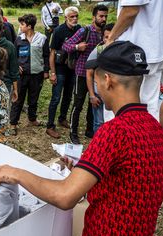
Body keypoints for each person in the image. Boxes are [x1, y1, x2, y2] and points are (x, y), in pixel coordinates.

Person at [0, 41, 163, 236]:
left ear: (107, 80)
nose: (96, 90)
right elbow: (131, 183)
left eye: (96, 83)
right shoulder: (158, 131)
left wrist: (17, 173)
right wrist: (86, 172)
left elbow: (65, 196)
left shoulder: (115, 131)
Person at [108, 0, 163, 121]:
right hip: (157, 47)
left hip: (134, 49)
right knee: (149, 106)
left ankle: (122, 139)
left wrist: (110, 38)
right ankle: (147, 138)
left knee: (122, 106)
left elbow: (130, 11)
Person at [62, 4, 108, 144]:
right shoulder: (85, 31)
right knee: (78, 104)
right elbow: (65, 46)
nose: (103, 19)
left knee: (93, 103)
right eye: (101, 16)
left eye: (105, 16)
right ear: (94, 17)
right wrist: (77, 47)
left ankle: (89, 130)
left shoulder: (107, 33)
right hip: (82, 73)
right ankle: (73, 132)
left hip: (98, 75)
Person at [10, 14, 49, 135]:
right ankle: (13, 124)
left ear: (29, 26)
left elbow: (46, 55)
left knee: (34, 99)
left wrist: (46, 71)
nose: (20, 26)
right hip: (22, 76)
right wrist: (16, 66)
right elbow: (13, 56)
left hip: (37, 74)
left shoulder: (42, 38)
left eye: (22, 24)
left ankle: (32, 119)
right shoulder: (19, 39)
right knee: (18, 99)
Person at [45, 6, 80, 139]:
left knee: (68, 96)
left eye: (76, 16)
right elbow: (52, 53)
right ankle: (50, 126)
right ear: (65, 18)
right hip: (59, 69)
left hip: (72, 68)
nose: (75, 19)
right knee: (56, 98)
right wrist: (52, 72)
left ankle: (62, 118)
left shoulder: (79, 29)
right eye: (72, 16)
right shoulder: (59, 31)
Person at [86, 23, 114, 134]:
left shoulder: (121, 52)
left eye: (111, 37)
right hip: (99, 95)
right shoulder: (98, 51)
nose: (108, 40)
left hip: (114, 96)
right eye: (106, 37)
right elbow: (89, 73)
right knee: (99, 123)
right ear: (102, 38)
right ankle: (97, 148)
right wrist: (92, 95)